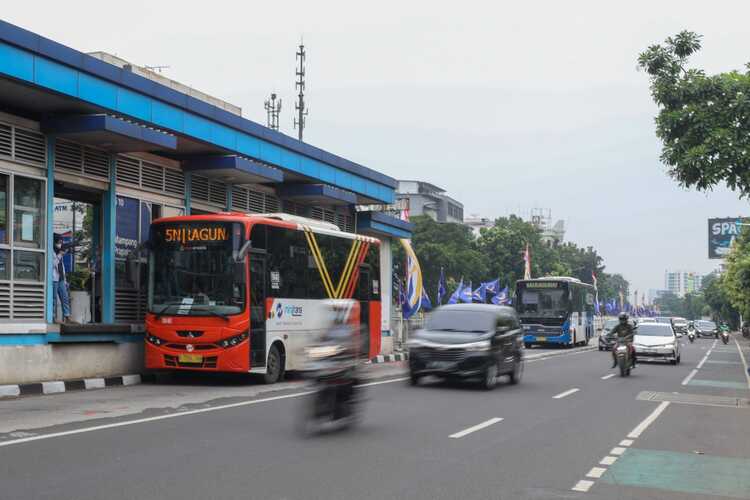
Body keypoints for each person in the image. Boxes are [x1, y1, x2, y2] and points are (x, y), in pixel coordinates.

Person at [52, 234, 76, 324]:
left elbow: (61, 267)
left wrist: (65, 280)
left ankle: (67, 316)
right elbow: (53, 264)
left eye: (61, 243)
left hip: (61, 278)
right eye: (59, 242)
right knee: (53, 299)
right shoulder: (52, 251)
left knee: (65, 297)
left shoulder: (58, 251)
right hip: (53, 278)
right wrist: (60, 254)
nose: (60, 244)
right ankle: (53, 317)